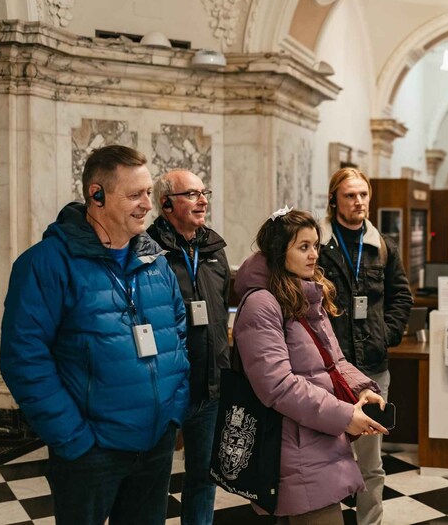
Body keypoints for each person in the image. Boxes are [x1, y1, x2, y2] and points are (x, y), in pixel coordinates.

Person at [0, 145, 190, 525]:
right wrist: (74, 439)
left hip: (154, 445)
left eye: (148, 193)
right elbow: (23, 358)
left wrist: (172, 412)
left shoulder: (156, 261)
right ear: (96, 195)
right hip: (91, 451)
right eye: (134, 195)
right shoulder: (46, 264)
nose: (147, 205)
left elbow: (179, 334)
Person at [234, 208, 389, 523]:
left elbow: (333, 360)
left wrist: (362, 388)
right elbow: (277, 386)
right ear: (280, 251)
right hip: (294, 448)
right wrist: (345, 416)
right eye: (303, 247)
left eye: (315, 245)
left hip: (317, 437)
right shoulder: (262, 303)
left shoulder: (303, 293)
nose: (314, 254)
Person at [318, 167, 413, 525]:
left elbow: (401, 296)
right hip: (327, 370)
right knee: (322, 457)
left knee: (370, 462)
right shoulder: (319, 244)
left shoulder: (383, 246)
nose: (358, 202)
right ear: (334, 200)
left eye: (363, 195)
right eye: (350, 195)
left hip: (372, 369)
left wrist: (385, 334)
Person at [148, 170, 230, 525]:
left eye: (204, 192)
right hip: (166, 387)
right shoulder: (147, 251)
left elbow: (223, 306)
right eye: (192, 194)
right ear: (166, 204)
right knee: (151, 485)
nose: (203, 200)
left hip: (209, 387)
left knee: (203, 479)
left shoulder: (214, 249)